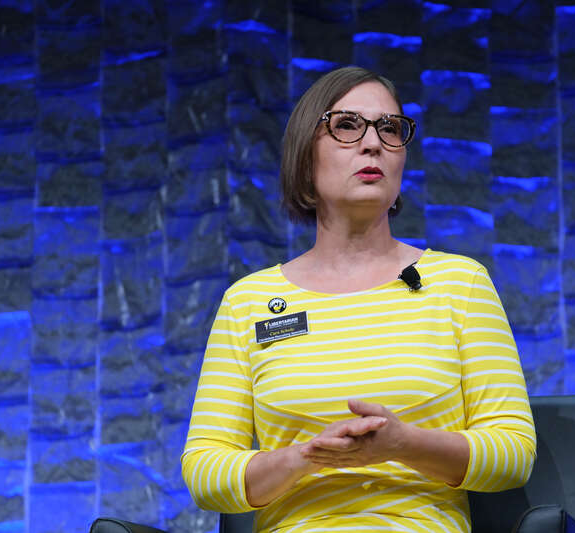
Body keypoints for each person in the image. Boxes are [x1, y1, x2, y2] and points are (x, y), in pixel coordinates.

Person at [181, 66, 536, 532]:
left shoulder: (460, 283)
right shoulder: (248, 301)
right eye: (347, 125)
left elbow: (512, 452)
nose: (373, 144)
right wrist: (306, 457)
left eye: (390, 129)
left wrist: (402, 444)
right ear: (304, 156)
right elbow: (205, 471)